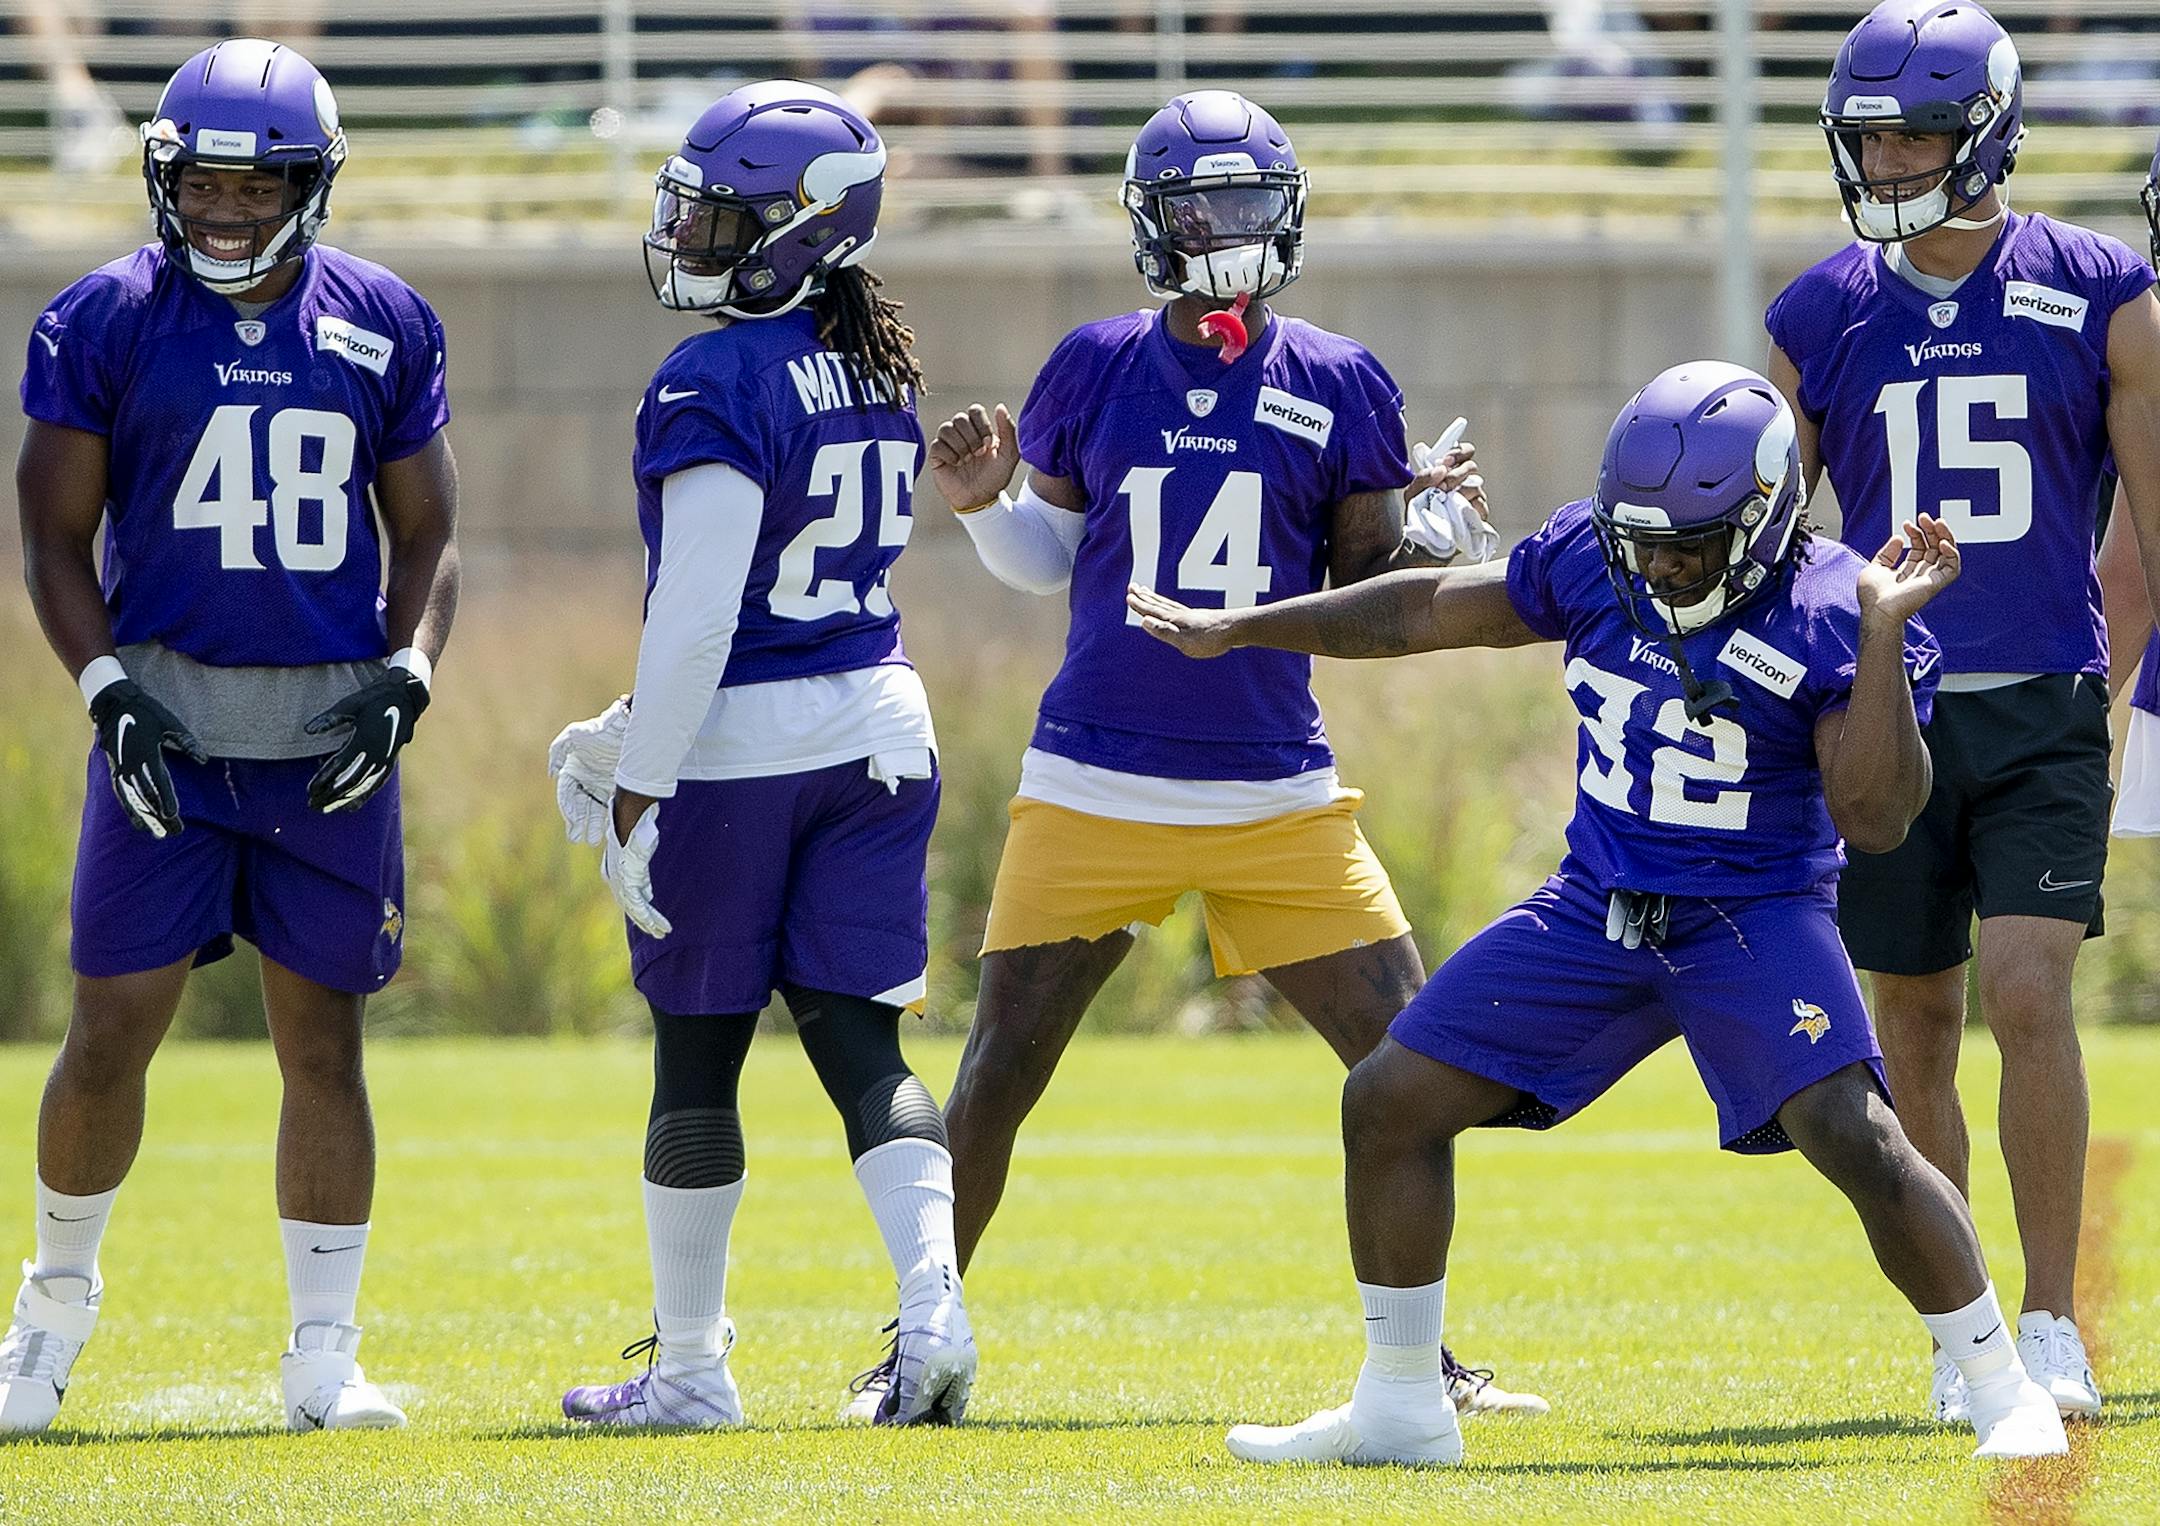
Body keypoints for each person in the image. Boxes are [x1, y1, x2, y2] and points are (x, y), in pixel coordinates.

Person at [1132, 360, 2070, 1465]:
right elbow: (1430, 610)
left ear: (1766, 520)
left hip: (1750, 912)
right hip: (1598, 907)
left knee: (1854, 1133)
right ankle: (1400, 1402)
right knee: (1388, 1099)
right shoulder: (1593, 553)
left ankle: (2008, 1388)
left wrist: (1876, 633)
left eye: (1690, 545)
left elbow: (1874, 815)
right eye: (1647, 539)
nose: (1663, 564)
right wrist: (1249, 625)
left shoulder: (1835, 605)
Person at [888, 87, 1542, 1423]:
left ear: (1287, 213)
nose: (1222, 228)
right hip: (1096, 776)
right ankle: (915, 1349)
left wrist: (1427, 525)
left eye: (1246, 203)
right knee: (997, 1072)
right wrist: (983, 505)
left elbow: (1363, 585)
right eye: (1195, 205)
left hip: (1274, 787)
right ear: (1149, 222)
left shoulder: (1343, 378)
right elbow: (1053, 563)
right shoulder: (1096, 362)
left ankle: (1421, 1366)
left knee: (1413, 1063)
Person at [1, 39, 459, 1434]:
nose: (223, 209)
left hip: (327, 733)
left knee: (325, 1045)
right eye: (200, 179)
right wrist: (104, 692)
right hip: (168, 722)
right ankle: (43, 1325)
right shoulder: (106, 318)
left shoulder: (383, 318)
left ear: (312, 189)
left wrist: (410, 675)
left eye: (257, 187)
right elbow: (52, 529)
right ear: (162, 176)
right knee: (109, 1031)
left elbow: (431, 532)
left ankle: (324, 1351)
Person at [544, 80, 973, 1430]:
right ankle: (937, 1319)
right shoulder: (871, 357)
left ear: (806, 226)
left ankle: (690, 1369)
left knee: (697, 1059)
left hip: (739, 753)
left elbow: (703, 610)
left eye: (722, 214)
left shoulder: (711, 374)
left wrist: (640, 770)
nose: (690, 230)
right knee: (860, 1042)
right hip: (879, 730)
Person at [1765, 0, 2160, 1423]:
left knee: (2030, 989)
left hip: (2047, 695)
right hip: (1895, 714)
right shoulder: (1818, 313)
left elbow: (2156, 525)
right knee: (1913, 1017)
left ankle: (2052, 1320)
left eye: (1915, 130)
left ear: (1983, 130)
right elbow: (1766, 543)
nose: (1886, 159)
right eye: (1868, 134)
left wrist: (2120, 687)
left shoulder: (2103, 284)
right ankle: (1972, 1329)